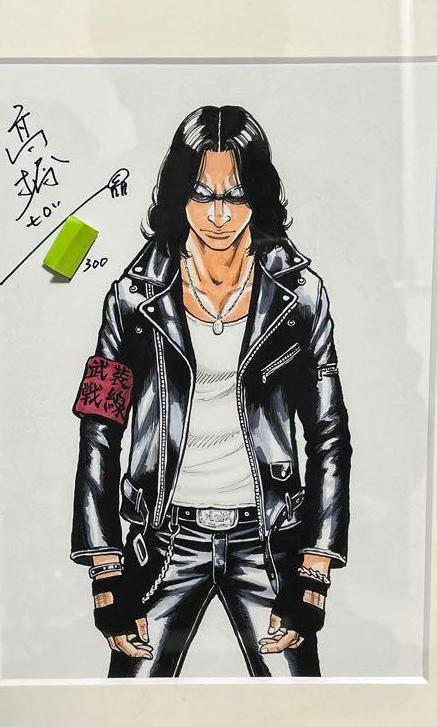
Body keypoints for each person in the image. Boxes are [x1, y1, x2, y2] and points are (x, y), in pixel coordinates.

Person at [70, 104, 351, 677]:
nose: (219, 215)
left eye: (236, 195)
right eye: (202, 195)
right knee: (126, 709)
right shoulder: (131, 298)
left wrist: (314, 571)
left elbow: (328, 433)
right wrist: (106, 571)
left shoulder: (301, 297)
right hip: (161, 541)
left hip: (270, 540)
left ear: (259, 196)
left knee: (301, 711)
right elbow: (99, 428)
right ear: (179, 194)